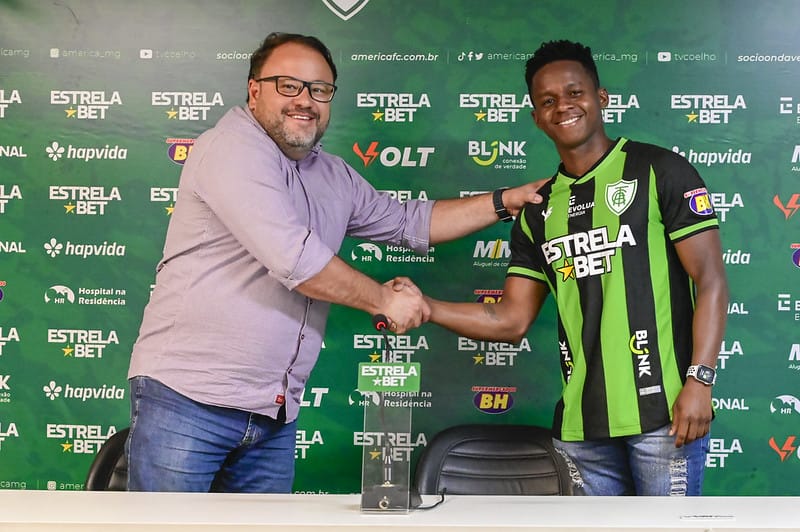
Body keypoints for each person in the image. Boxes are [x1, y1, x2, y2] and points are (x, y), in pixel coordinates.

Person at [126, 32, 543, 493]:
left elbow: (409, 221)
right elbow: (294, 257)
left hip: (273, 413)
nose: (305, 100)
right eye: (289, 85)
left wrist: (506, 201)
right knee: (168, 525)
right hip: (188, 401)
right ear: (254, 90)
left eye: (319, 89)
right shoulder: (230, 148)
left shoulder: (331, 174)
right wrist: (384, 299)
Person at [419, 40, 729, 495]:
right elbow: (510, 319)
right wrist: (427, 307)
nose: (562, 106)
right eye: (547, 101)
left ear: (601, 97)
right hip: (583, 431)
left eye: (574, 92)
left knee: (664, 531)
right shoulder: (537, 210)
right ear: (536, 118)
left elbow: (711, 281)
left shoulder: (660, 170)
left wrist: (700, 381)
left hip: (664, 419)